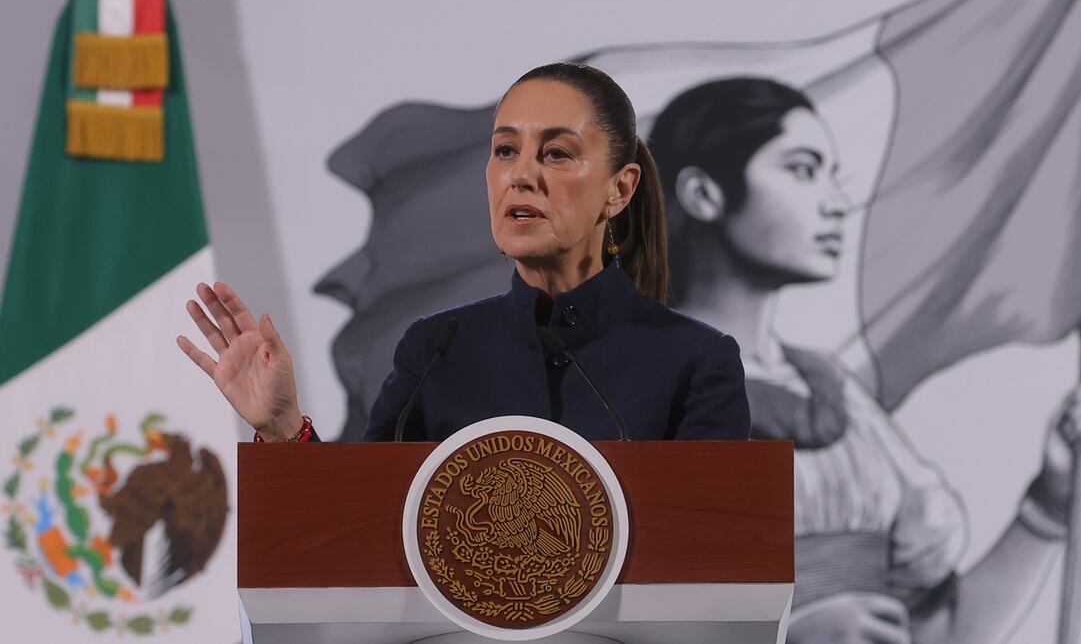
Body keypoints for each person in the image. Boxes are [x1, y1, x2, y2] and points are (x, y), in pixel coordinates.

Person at [651, 76, 1081, 644]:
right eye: (803, 170)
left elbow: (942, 633)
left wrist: (1049, 503)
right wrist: (788, 632)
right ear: (703, 194)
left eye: (834, 175)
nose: (835, 201)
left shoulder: (835, 393)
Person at [175, 62, 751, 446]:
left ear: (619, 189)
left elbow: (718, 562)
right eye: (505, 150)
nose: (520, 176)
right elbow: (361, 532)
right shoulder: (435, 350)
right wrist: (282, 429)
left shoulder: (697, 362)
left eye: (555, 153)